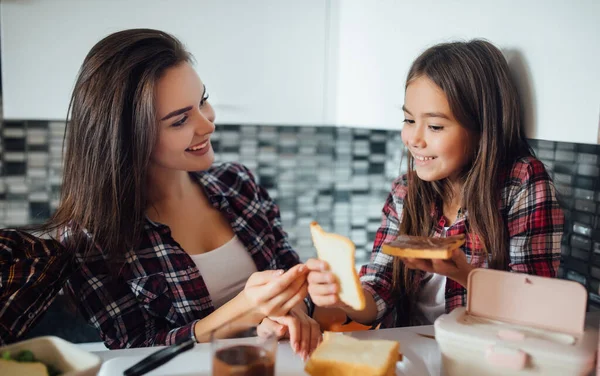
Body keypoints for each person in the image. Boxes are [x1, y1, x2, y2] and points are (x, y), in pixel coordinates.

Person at [26, 29, 319, 356]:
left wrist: (287, 317)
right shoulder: (88, 241)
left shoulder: (237, 183)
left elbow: (296, 282)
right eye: (180, 120)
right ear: (128, 137)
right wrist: (243, 310)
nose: (208, 124)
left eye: (202, 100)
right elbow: (134, 350)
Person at [306, 40, 564, 328]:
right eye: (408, 119)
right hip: (410, 356)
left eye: (435, 126)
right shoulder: (406, 191)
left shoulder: (522, 184)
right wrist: (345, 297)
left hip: (482, 359)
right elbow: (381, 285)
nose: (414, 139)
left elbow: (536, 307)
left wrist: (465, 274)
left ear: (482, 128)